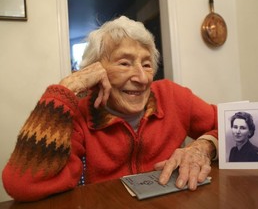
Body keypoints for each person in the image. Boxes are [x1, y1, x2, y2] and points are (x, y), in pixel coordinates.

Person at [2, 16, 218, 202]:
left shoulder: (172, 96)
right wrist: (66, 88)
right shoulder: (79, 114)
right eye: (124, 63)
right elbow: (22, 184)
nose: (142, 78)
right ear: (95, 71)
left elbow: (242, 126)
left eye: (146, 64)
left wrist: (203, 146)